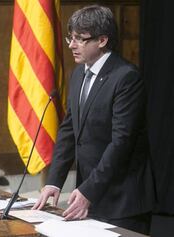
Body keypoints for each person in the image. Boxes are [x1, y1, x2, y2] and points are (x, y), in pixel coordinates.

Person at [32, 5, 154, 234]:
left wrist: (89, 190)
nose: (71, 45)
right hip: (89, 197)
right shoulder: (79, 73)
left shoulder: (126, 78)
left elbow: (121, 143)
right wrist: (54, 180)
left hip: (122, 200)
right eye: (71, 37)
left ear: (102, 40)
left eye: (80, 39)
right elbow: (69, 130)